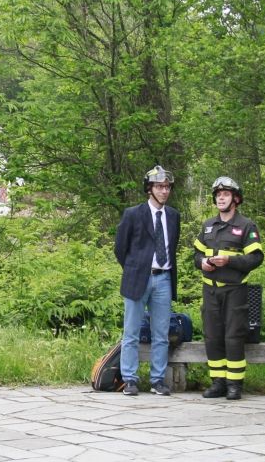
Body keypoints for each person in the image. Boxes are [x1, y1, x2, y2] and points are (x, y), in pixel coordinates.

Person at [194, 177, 264, 400]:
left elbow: (256, 258)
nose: (220, 197)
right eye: (218, 194)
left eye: (225, 194)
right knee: (212, 336)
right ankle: (218, 382)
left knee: (233, 337)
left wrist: (230, 262)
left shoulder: (246, 225)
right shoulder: (207, 226)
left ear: (236, 198)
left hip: (235, 291)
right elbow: (196, 255)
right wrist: (202, 263)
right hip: (210, 290)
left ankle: (234, 384)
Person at [114, 165, 181, 396]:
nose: (165, 191)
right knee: (131, 332)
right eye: (160, 187)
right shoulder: (133, 214)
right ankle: (130, 379)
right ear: (149, 189)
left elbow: (172, 247)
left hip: (163, 279)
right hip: (137, 278)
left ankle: (157, 380)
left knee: (161, 334)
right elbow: (120, 248)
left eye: (167, 187)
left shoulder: (173, 216)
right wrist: (135, 268)